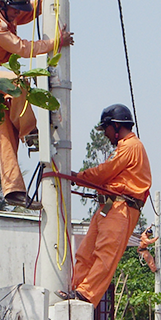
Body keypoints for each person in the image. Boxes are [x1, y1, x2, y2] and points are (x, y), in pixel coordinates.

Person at [0, 0, 74, 209]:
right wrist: (57, 42)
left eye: (20, 9)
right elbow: (22, 48)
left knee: (5, 136)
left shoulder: (7, 12)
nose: (18, 15)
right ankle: (30, 132)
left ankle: (13, 191)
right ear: (2, 4)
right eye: (15, 10)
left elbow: (28, 13)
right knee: (17, 83)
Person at [57, 103, 151, 306]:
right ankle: (76, 288)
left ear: (115, 126)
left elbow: (104, 172)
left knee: (105, 253)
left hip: (121, 206)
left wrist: (80, 177)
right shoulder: (123, 147)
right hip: (109, 204)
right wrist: (81, 178)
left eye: (106, 129)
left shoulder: (131, 146)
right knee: (86, 252)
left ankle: (85, 295)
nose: (105, 134)